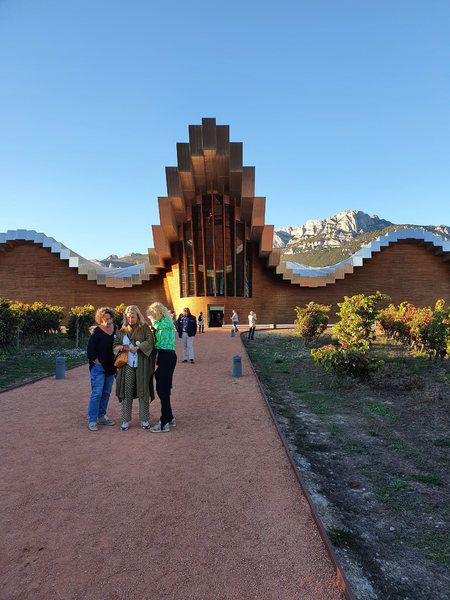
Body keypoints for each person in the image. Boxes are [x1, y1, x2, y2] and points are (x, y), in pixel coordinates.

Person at [113, 305, 155, 430]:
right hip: (127, 366)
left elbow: (149, 342)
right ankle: (125, 420)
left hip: (141, 365)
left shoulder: (144, 328)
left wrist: (138, 347)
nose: (131, 319)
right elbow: (115, 344)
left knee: (143, 392)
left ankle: (144, 419)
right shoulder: (122, 330)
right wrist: (120, 348)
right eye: (129, 317)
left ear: (138, 316)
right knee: (126, 393)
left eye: (133, 317)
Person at [146, 302, 177, 432]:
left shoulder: (166, 321)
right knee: (161, 386)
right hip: (163, 356)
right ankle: (169, 417)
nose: (150, 316)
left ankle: (164, 422)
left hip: (167, 356)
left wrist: (152, 319)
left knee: (163, 389)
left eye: (152, 313)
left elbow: (158, 326)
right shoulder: (160, 323)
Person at [86, 307, 117, 431]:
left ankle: (101, 416)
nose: (107, 322)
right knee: (97, 393)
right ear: (100, 320)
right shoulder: (96, 332)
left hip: (111, 366)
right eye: (105, 319)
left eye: (109, 319)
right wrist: (96, 361)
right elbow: (90, 350)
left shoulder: (115, 329)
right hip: (99, 367)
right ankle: (92, 420)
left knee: (106, 393)